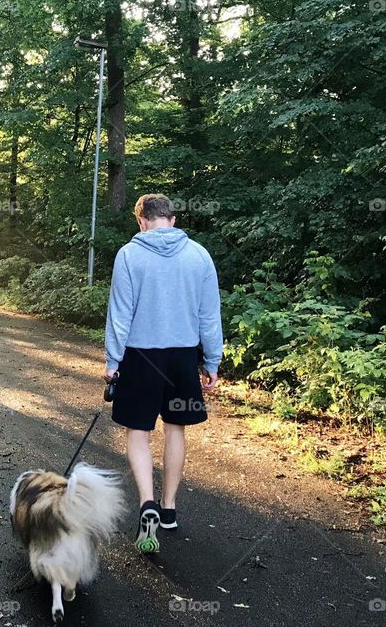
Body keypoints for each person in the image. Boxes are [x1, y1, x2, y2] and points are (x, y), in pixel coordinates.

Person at [103, 193, 223, 553]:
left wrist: (113, 361)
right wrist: (212, 361)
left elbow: (120, 313)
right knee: (176, 429)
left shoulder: (129, 255)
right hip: (182, 358)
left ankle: (147, 503)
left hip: (140, 357)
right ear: (171, 219)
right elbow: (209, 314)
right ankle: (168, 509)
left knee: (138, 432)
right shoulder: (199, 255)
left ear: (141, 221)